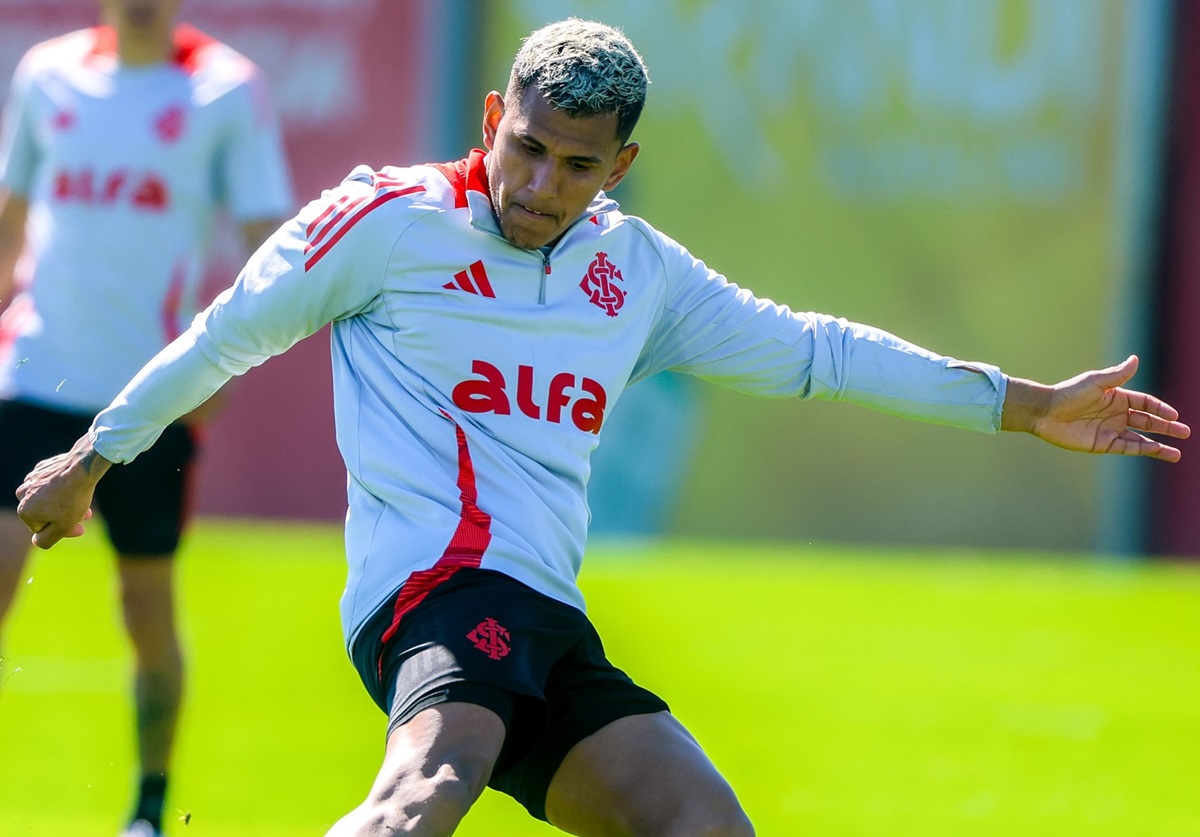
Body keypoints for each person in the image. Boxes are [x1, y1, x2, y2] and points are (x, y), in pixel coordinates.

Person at [13, 18, 1189, 837]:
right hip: (435, 588)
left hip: (545, 620)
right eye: (524, 149)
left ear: (619, 163)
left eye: (574, 168)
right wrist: (91, 458)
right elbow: (229, 330)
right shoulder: (386, 221)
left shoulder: (637, 274)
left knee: (700, 821)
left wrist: (1024, 405)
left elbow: (817, 351)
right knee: (429, 787)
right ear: (493, 116)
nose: (537, 188)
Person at [0, 1, 293, 835]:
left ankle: (150, 811)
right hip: (29, 376)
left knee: (146, 608)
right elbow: (10, 224)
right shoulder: (47, 74)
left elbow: (272, 245)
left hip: (149, 393)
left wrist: (228, 357)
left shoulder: (226, 89)